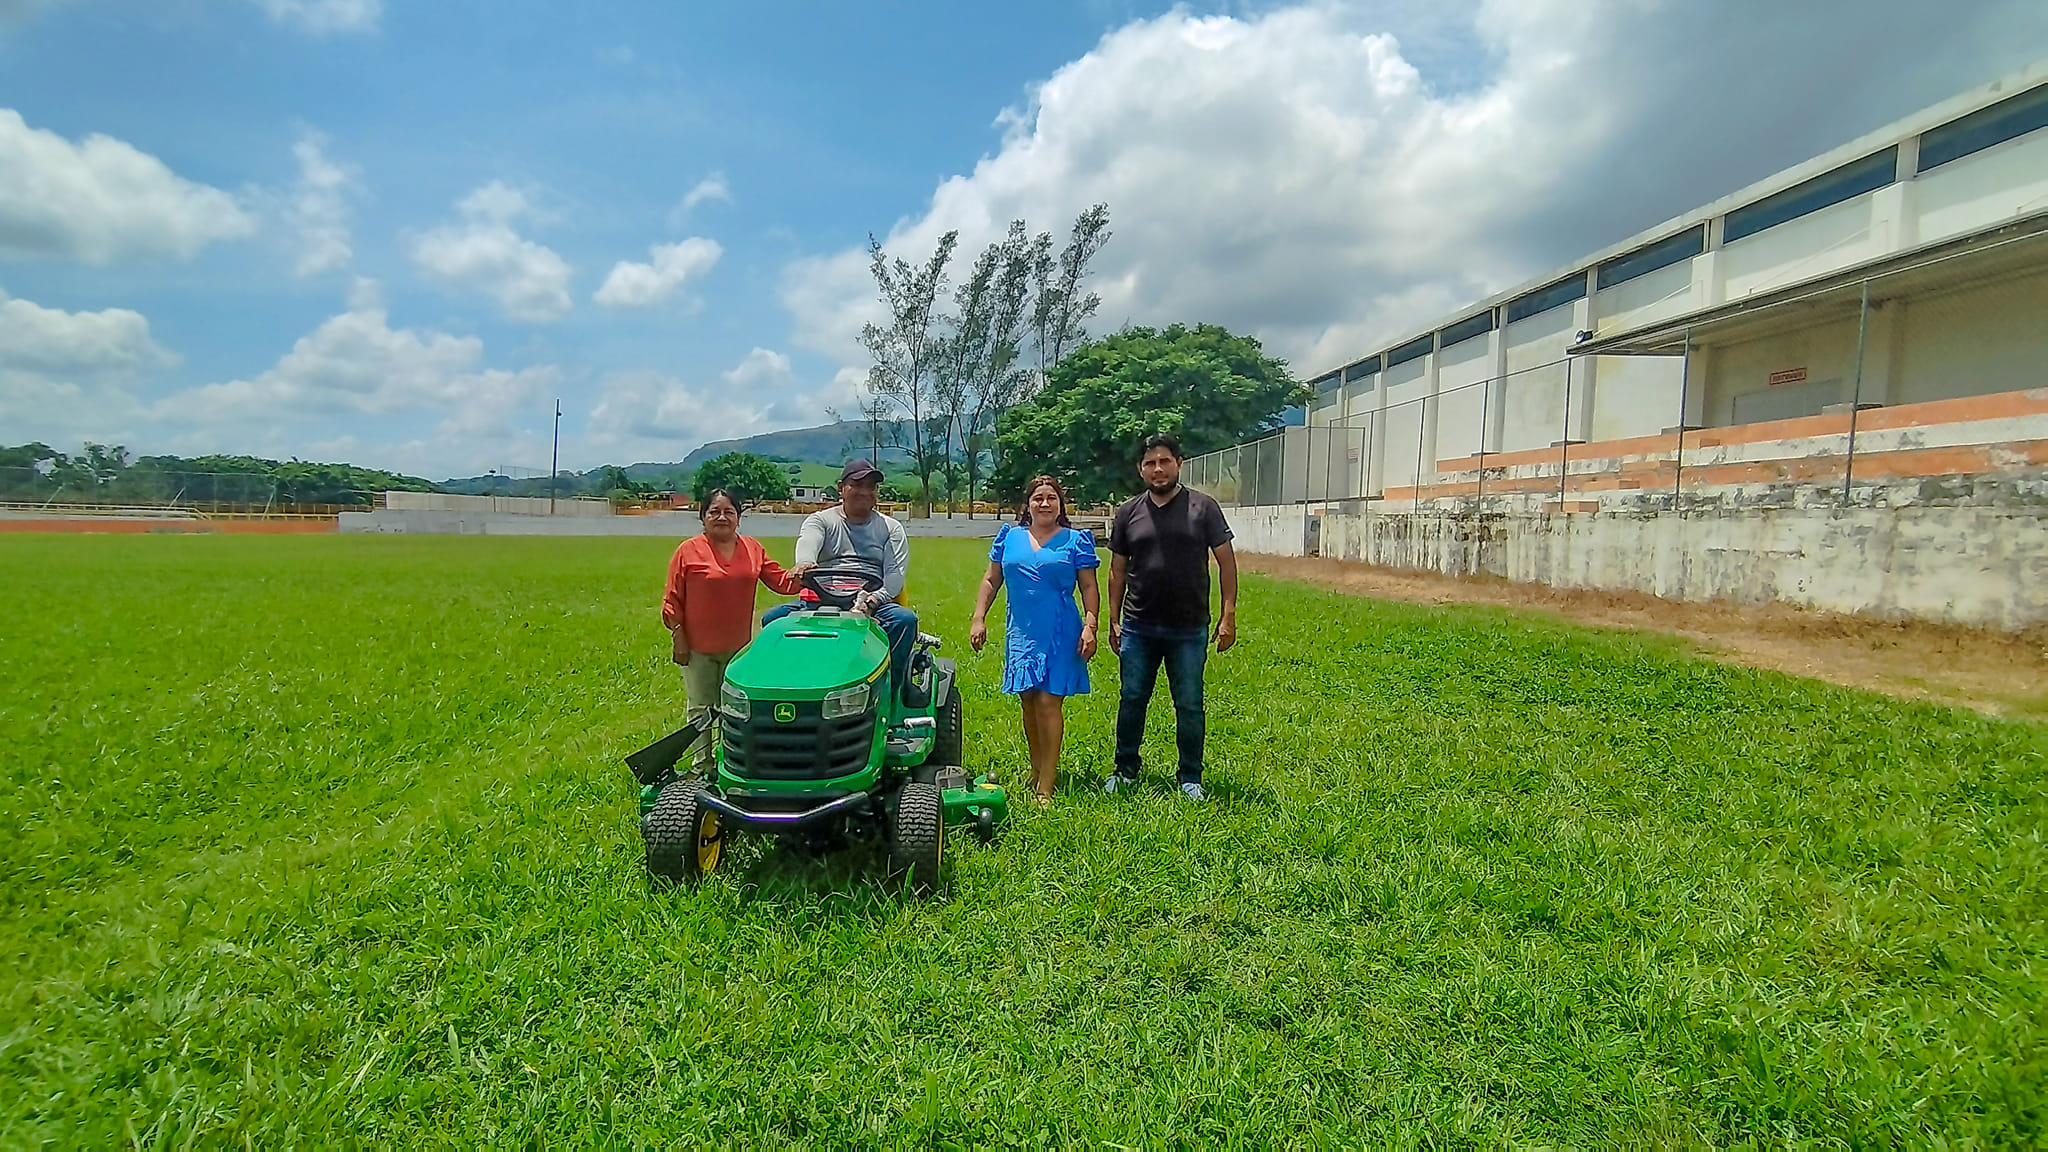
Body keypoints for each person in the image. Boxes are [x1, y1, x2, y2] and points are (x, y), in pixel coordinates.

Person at [1104, 433, 1238, 802]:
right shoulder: (1128, 513)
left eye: (1164, 461)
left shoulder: (1204, 507)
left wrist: (1228, 616)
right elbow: (1117, 570)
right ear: (1140, 470)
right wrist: (1113, 620)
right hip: (1138, 625)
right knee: (1132, 699)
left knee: (1190, 703)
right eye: (1150, 463)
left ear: (1179, 463)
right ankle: (1125, 769)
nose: (1157, 469)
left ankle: (1190, 776)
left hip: (1189, 627)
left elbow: (1227, 564)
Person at [968, 475, 1100, 804]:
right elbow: (991, 580)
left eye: (1051, 498)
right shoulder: (1009, 538)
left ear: (1060, 504)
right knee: (1028, 701)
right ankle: (1035, 768)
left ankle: (1047, 784)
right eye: (1038, 497)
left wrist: (1091, 624)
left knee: (1048, 701)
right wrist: (978, 617)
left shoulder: (1075, 541)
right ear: (1027, 504)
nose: (1044, 503)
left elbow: (1088, 587)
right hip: (1021, 632)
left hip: (1060, 630)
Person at [661, 488, 803, 773]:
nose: (722, 517)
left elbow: (781, 583)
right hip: (698, 647)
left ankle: (732, 760)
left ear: (739, 517)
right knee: (701, 708)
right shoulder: (687, 551)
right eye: (714, 511)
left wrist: (804, 573)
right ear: (703, 517)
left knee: (736, 706)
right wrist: (679, 638)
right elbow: (672, 599)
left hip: (738, 648)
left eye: (729, 512)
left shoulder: (752, 549)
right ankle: (703, 764)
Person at [761, 459, 916, 700]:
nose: (865, 491)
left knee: (904, 620)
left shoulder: (890, 528)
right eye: (857, 484)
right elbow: (808, 544)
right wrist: (804, 563)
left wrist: (873, 601)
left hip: (871, 601)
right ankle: (786, 688)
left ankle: (890, 691)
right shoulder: (821, 521)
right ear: (841, 487)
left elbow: (894, 576)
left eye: (871, 486)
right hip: (820, 601)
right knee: (772, 621)